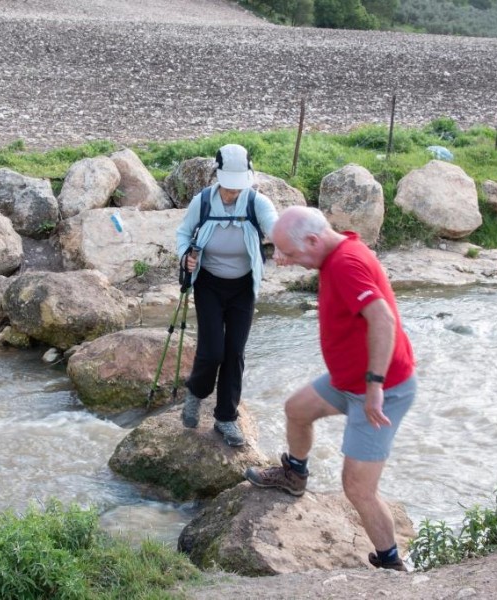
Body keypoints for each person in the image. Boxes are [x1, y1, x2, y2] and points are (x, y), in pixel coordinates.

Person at [244, 206, 417, 572]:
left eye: (288, 253)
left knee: (357, 487)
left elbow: (383, 319)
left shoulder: (345, 264)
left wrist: (375, 386)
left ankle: (391, 564)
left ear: (313, 239)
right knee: (296, 409)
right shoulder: (339, 251)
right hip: (348, 382)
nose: (282, 261)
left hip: (382, 389)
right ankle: (295, 474)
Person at [175, 144, 278, 447]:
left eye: (238, 187)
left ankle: (225, 418)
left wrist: (284, 239)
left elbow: (273, 224)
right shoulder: (203, 201)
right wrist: (185, 257)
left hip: (243, 287)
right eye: (229, 186)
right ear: (218, 177)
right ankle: (195, 394)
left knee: (235, 353)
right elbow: (183, 232)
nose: (233, 192)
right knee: (212, 352)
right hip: (208, 283)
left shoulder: (257, 202)